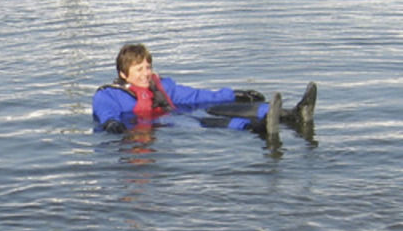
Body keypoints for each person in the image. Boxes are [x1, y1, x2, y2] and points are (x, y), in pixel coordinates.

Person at [92, 43, 317, 143]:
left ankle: (291, 114)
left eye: (148, 67)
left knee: (218, 108)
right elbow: (106, 113)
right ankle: (257, 127)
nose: (146, 73)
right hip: (158, 125)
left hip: (176, 112)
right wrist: (112, 123)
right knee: (204, 122)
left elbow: (194, 96)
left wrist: (234, 94)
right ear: (123, 73)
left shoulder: (162, 86)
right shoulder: (108, 95)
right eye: (139, 69)